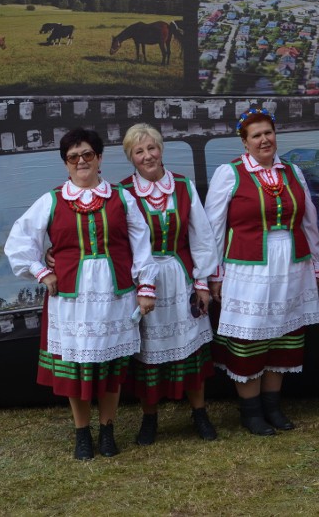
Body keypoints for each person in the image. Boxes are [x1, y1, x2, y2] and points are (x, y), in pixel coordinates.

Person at [5, 128, 158, 460]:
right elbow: (19, 242)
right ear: (66, 164)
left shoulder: (122, 197)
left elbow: (141, 244)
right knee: (76, 370)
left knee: (111, 367)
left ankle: (107, 430)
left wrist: (146, 287)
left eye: (87, 154)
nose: (81, 161)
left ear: (100, 158)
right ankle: (82, 434)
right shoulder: (52, 199)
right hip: (71, 300)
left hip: (114, 296)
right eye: (73, 157)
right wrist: (43, 271)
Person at [205, 107, 319, 436]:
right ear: (244, 143)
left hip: (292, 264)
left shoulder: (292, 173)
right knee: (250, 337)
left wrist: (318, 265)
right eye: (256, 135)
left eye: (268, 133)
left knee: (283, 337)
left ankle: (273, 406)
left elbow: (309, 222)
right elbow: (212, 229)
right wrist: (214, 274)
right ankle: (251, 411)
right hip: (248, 268)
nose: (264, 140)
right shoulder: (229, 174)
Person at [119, 124, 219, 443]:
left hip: (181, 278)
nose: (147, 155)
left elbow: (201, 238)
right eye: (139, 151)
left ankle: (200, 413)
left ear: (161, 149)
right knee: (148, 352)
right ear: (131, 158)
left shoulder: (182, 185)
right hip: (145, 283)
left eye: (152, 148)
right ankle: (150, 420)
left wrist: (202, 283)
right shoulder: (123, 192)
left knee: (191, 349)